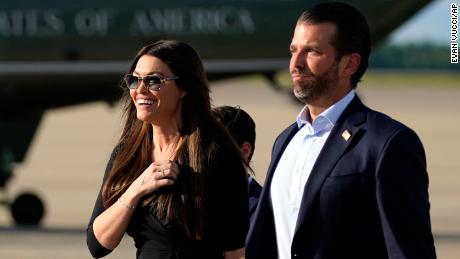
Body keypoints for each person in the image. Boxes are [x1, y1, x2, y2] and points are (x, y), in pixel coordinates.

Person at [246, 2, 436, 259]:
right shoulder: (286, 140)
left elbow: (408, 251)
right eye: (294, 51)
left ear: (349, 64)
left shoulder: (387, 143)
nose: (296, 63)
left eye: (312, 51)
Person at [86, 40, 248, 259]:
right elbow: (97, 245)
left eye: (154, 81)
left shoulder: (217, 155)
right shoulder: (128, 152)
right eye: (135, 80)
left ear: (184, 88)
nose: (140, 90)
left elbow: (235, 253)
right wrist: (136, 190)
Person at [212, 105, 262, 222]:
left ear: (244, 151)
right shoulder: (190, 201)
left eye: (215, 148)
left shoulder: (265, 210)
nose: (203, 156)